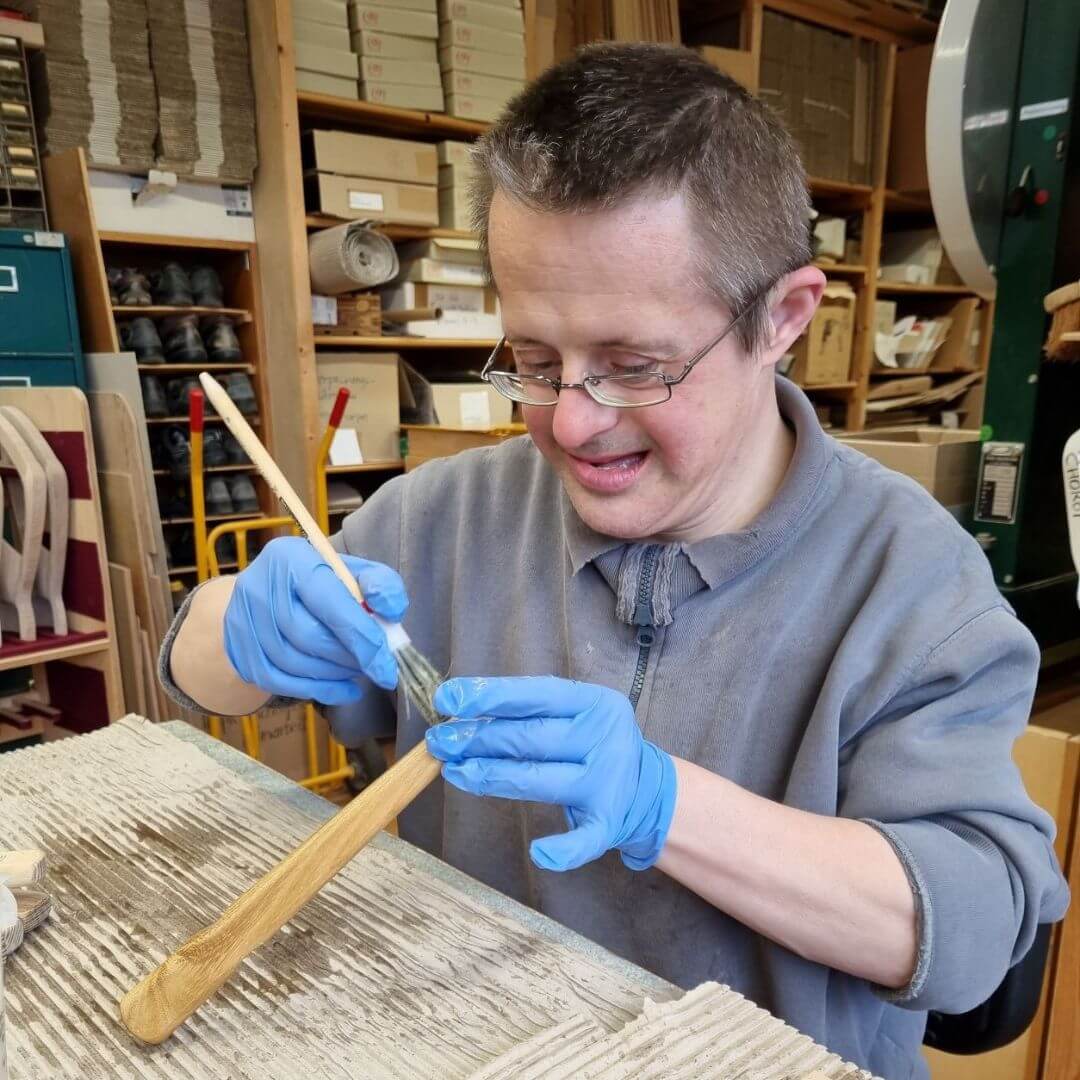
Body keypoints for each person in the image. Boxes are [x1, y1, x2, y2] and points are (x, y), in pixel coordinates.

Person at [161, 43, 1069, 1079]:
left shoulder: (912, 583)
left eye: (634, 367)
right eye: (535, 361)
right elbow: (192, 671)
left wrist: (662, 803)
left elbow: (971, 939)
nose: (573, 424)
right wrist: (239, 625)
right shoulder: (451, 514)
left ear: (783, 319)